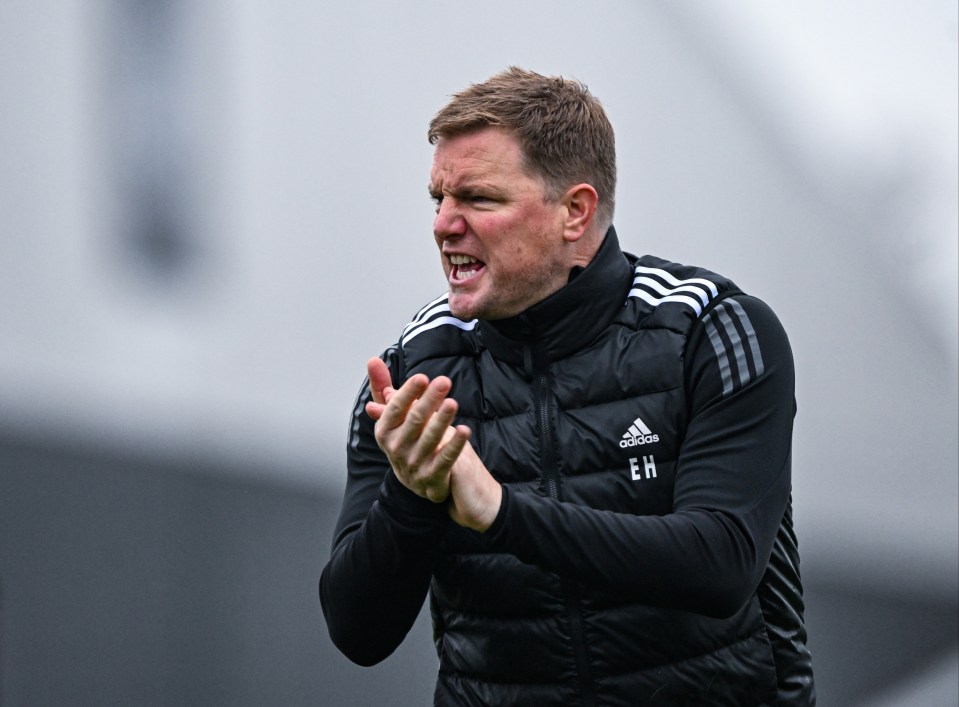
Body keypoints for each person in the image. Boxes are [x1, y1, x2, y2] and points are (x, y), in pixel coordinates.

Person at [320, 67, 815, 706]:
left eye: (478, 198)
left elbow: (720, 565)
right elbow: (358, 633)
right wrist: (410, 494)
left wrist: (500, 512)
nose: (444, 225)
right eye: (437, 199)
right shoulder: (414, 376)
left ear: (575, 213)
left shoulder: (712, 329)